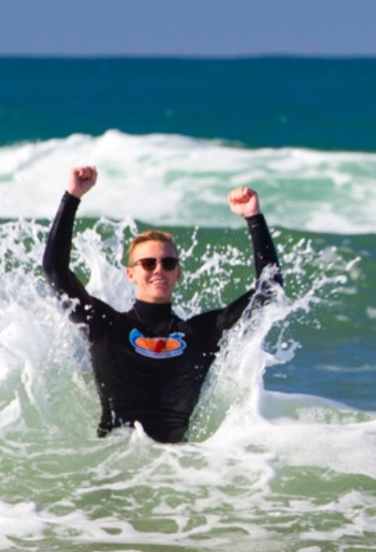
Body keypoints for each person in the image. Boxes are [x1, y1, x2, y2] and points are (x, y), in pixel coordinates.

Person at [42, 164, 283, 443]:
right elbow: (54, 270)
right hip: (114, 461)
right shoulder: (106, 326)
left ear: (178, 273)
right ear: (131, 274)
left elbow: (270, 289)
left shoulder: (202, 332)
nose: (159, 269)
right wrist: (71, 197)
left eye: (168, 263)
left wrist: (254, 217)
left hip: (175, 469)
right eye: (148, 263)